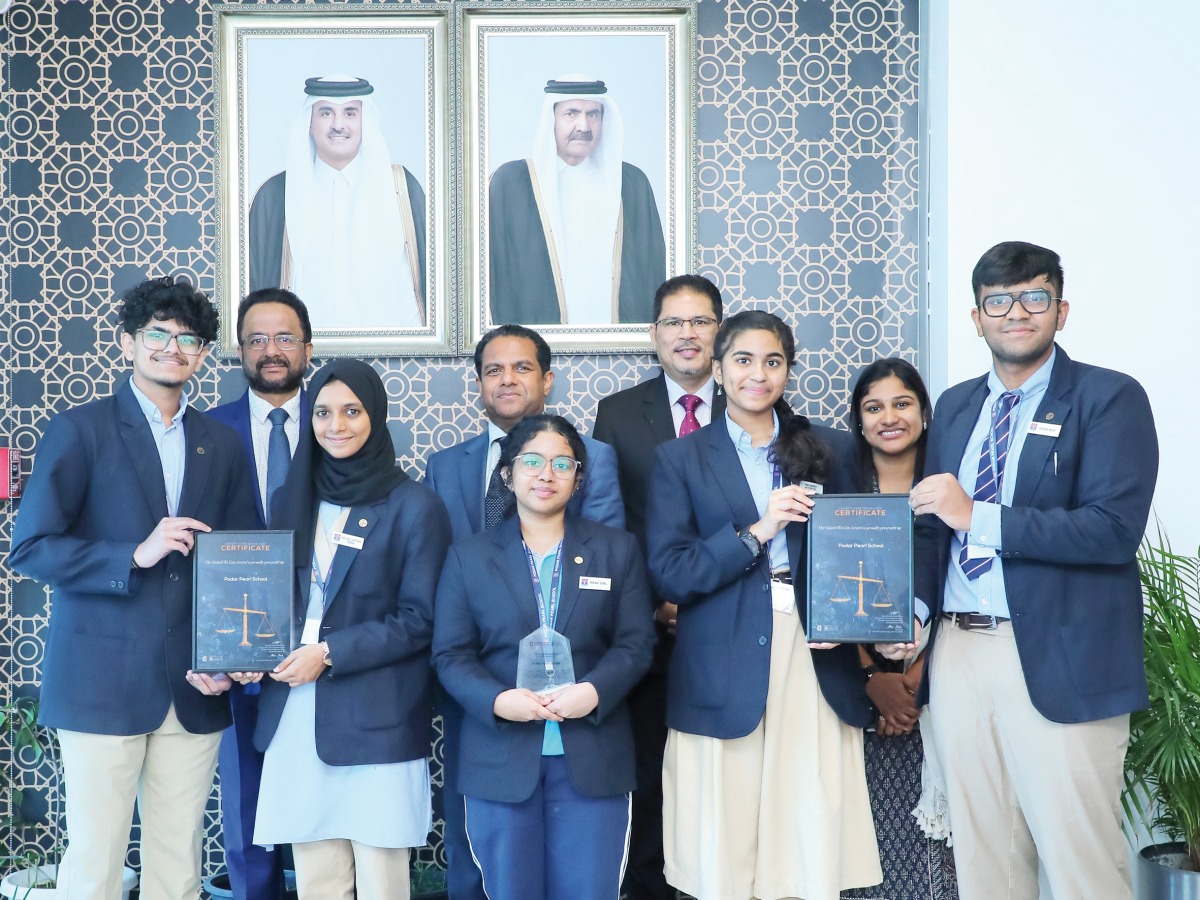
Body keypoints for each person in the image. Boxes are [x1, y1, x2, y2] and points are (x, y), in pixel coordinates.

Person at [900, 241, 1158, 900]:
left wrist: (978, 516)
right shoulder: (956, 406)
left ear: (1060, 310)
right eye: (998, 302)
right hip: (959, 652)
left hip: (1059, 654)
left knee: (1081, 866)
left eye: (1034, 297)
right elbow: (932, 528)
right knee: (985, 862)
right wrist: (916, 614)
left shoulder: (1108, 397)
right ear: (976, 318)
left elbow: (1112, 530)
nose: (1016, 313)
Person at [9, 277, 258, 900]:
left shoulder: (221, 443)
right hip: (100, 684)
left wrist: (229, 657)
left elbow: (239, 561)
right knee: (95, 865)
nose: (173, 348)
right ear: (128, 342)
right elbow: (31, 548)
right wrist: (133, 554)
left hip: (194, 685)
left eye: (188, 339)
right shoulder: (80, 430)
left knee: (179, 868)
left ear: (203, 354)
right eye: (158, 334)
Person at [646, 310, 879, 900]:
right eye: (743, 360)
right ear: (718, 369)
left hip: (813, 647)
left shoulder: (832, 448)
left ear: (788, 370)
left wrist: (846, 619)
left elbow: (859, 547)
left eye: (772, 361)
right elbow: (671, 570)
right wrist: (757, 532)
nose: (758, 374)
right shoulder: (680, 458)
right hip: (719, 654)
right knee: (724, 832)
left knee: (805, 820)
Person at [423, 323, 624, 900]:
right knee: (485, 853)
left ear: (547, 379)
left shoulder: (595, 459)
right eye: (494, 370)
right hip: (480, 686)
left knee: (579, 865)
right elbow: (441, 571)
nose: (507, 379)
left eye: (522, 368)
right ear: (479, 384)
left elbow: (610, 575)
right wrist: (484, 689)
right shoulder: (446, 465)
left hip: (576, 695)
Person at [252, 358, 451, 900]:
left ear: (375, 416)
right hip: (295, 710)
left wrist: (329, 653)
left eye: (351, 411)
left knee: (382, 877)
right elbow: (268, 596)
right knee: (317, 880)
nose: (335, 425)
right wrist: (247, 651)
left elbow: (420, 619)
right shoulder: (290, 497)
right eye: (322, 412)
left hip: (376, 714)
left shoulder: (416, 506)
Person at [592, 273, 725, 900]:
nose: (687, 334)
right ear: (654, 334)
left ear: (719, 330)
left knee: (723, 776)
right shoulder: (619, 414)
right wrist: (655, 602)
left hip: (731, 621)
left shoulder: (754, 401)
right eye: (674, 322)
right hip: (648, 628)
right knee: (650, 775)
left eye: (700, 321)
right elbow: (608, 525)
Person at [207, 287, 314, 900]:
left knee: (326, 798)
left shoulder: (340, 421)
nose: (271, 350)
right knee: (245, 796)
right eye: (256, 339)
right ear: (240, 351)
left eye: (284, 338)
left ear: (307, 348)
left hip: (324, 642)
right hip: (235, 637)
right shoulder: (206, 429)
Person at [839, 358, 959, 900]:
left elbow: (963, 580)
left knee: (941, 836)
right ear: (859, 420)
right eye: (874, 407)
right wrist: (873, 677)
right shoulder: (837, 485)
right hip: (855, 682)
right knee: (866, 834)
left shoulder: (953, 481)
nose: (889, 417)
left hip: (944, 676)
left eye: (902, 403)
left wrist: (918, 678)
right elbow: (825, 588)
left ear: (924, 411)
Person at [248, 75, 427, 331]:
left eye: (350, 113)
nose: (338, 125)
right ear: (309, 123)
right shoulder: (275, 194)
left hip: (393, 347)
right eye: (326, 113)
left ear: (366, 122)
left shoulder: (402, 188)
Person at [488, 75, 665, 325]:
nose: (584, 126)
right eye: (571, 113)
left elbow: (652, 272)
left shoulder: (632, 183)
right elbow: (492, 274)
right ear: (551, 120)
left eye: (593, 114)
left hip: (617, 343)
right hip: (534, 343)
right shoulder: (511, 183)